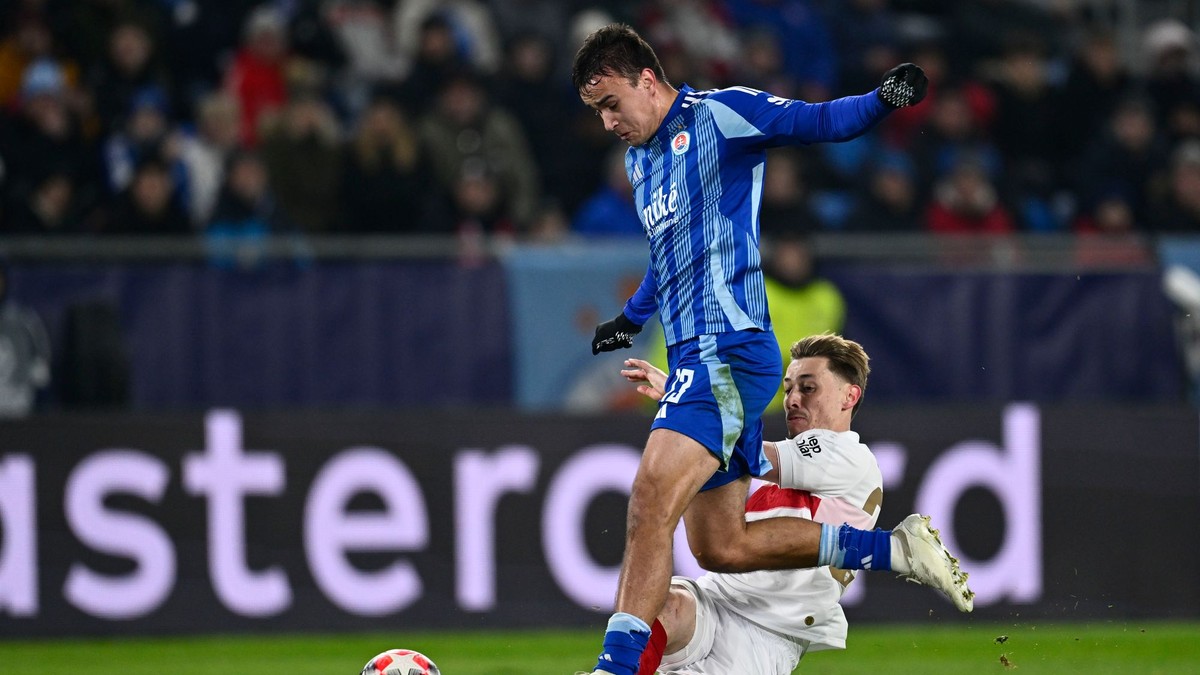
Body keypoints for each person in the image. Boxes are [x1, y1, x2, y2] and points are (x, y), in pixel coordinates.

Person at [571, 24, 958, 675]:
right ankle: (893, 551)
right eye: (597, 111)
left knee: (648, 499)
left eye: (612, 103)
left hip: (727, 352)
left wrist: (883, 98)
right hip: (699, 356)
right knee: (721, 546)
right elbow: (669, 260)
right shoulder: (641, 163)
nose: (608, 121)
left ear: (646, 79)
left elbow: (818, 122)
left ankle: (615, 668)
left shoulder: (722, 115)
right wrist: (631, 317)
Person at [613, 334, 972, 674]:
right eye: (788, 389)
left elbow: (753, 454)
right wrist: (687, 402)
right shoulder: (804, 467)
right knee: (659, 606)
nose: (793, 399)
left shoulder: (848, 455)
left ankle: (893, 549)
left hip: (765, 633)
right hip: (718, 597)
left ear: (849, 396)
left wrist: (688, 402)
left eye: (809, 388)